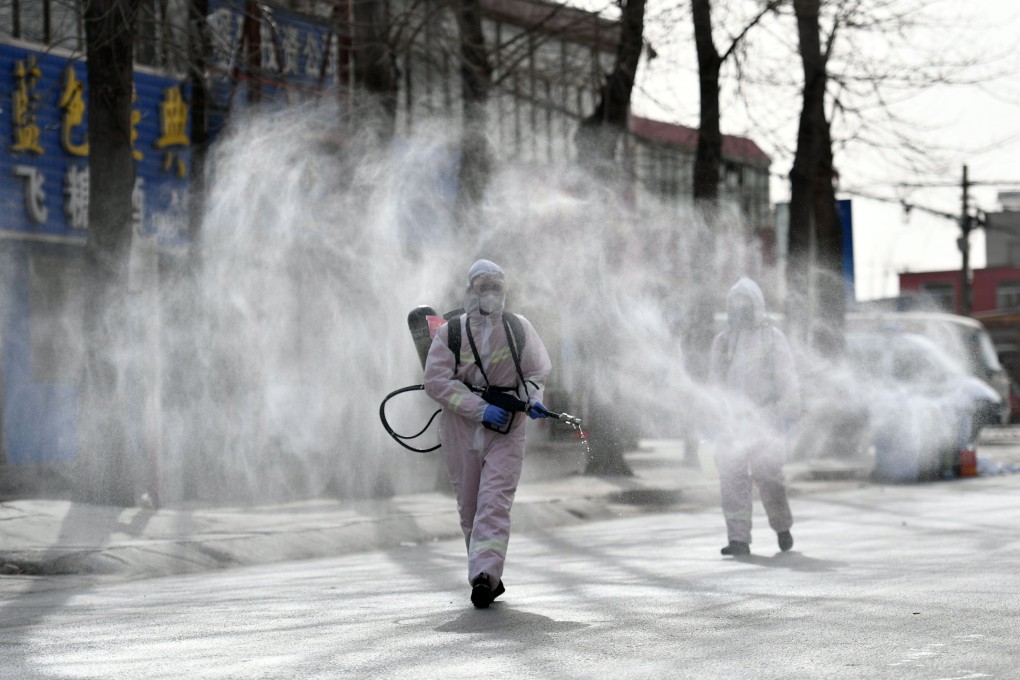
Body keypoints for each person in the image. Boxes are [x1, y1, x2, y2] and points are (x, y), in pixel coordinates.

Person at [424, 259, 552, 608]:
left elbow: (536, 372)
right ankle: (485, 569)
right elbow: (435, 381)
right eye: (484, 287)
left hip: (508, 428)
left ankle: (484, 576)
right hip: (461, 429)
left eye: (497, 286)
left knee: (494, 502)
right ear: (470, 290)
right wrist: (478, 408)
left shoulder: (518, 328)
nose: (492, 294)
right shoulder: (450, 332)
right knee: (470, 509)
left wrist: (533, 399)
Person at [708, 277, 800, 557]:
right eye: (735, 304)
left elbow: (788, 379)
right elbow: (714, 383)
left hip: (767, 417)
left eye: (746, 304)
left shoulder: (773, 339)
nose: (741, 310)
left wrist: (789, 413)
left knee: (769, 476)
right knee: (732, 479)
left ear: (757, 305)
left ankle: (782, 526)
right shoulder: (723, 343)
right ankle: (738, 539)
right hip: (733, 423)